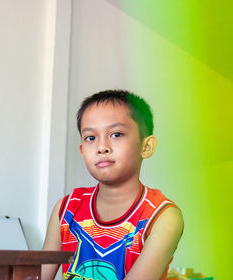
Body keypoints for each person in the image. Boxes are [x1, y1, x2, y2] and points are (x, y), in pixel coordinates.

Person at [42, 90, 184, 280]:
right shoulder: (65, 209)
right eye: (91, 138)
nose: (102, 147)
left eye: (116, 134)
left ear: (146, 146)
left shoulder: (163, 217)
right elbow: (39, 276)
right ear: (82, 151)